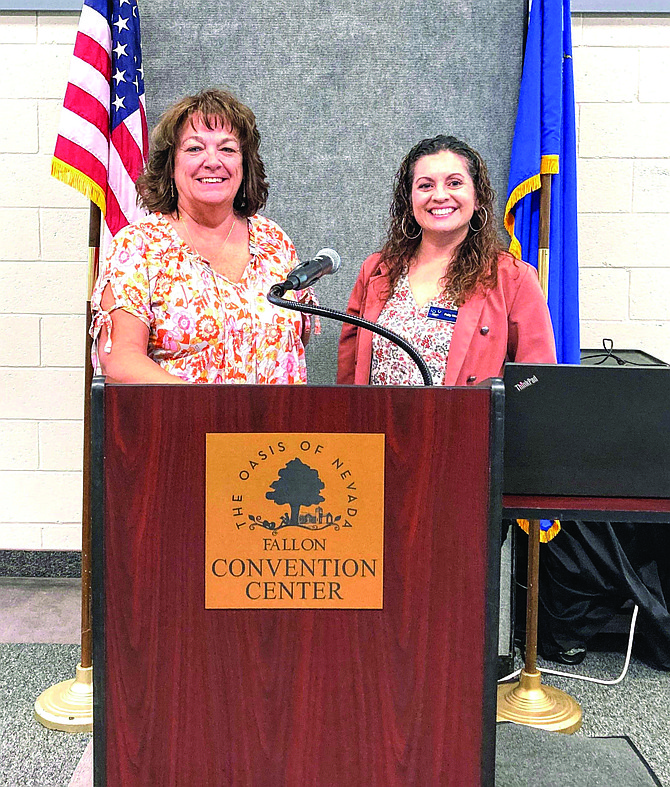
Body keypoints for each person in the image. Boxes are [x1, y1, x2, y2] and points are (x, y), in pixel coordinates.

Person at [91, 88, 316, 385]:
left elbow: (293, 345)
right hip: (182, 427)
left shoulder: (274, 240)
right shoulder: (138, 247)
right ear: (171, 166)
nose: (212, 161)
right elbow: (121, 359)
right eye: (195, 148)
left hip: (277, 429)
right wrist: (208, 410)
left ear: (244, 165)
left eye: (227, 149)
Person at [337, 135, 556, 387]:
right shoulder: (377, 269)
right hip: (378, 424)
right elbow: (348, 376)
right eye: (425, 186)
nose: (440, 195)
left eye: (454, 183)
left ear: (477, 198)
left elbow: (537, 379)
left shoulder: (512, 277)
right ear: (409, 201)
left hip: (467, 425)